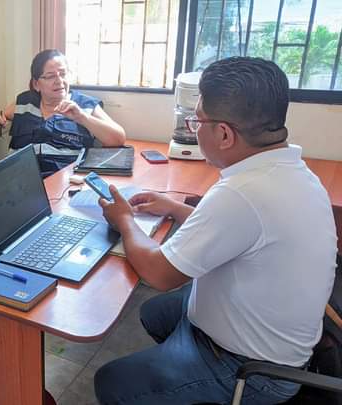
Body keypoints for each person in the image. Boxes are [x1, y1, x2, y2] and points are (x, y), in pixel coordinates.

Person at [94, 57, 337, 404]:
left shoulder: (242, 193)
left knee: (112, 382)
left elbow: (159, 274)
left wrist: (124, 220)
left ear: (224, 134)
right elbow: (244, 230)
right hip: (265, 335)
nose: (193, 129)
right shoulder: (291, 172)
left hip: (253, 370)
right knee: (154, 313)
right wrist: (175, 208)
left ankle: (198, 385)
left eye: (197, 121)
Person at [0, 49, 125, 177]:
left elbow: (118, 138)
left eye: (63, 74)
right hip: (20, 179)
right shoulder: (24, 102)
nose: (59, 81)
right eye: (50, 76)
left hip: (65, 182)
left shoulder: (84, 105)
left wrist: (82, 117)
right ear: (36, 84)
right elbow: (1, 116)